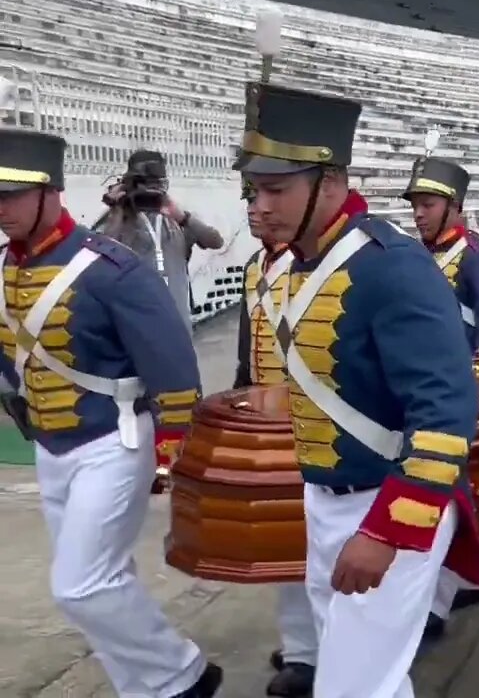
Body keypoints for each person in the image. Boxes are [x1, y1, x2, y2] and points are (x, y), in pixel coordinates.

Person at [236, 68, 479, 696]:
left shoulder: (392, 266)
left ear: (332, 181)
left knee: (350, 686)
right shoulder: (297, 264)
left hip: (388, 502)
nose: (260, 206)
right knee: (372, 679)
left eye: (277, 188)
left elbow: (444, 415)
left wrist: (386, 530)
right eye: (252, 190)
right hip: (323, 494)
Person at [0, 127, 220, 697]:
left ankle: (182, 674)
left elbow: (170, 360)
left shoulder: (108, 265)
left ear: (51, 191)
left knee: (80, 586)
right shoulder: (7, 267)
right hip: (50, 444)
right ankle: (144, 687)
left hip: (114, 439)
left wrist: (175, 444)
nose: (1, 210)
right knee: (105, 578)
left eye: (11, 196)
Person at [401, 137, 479, 640]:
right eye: (416, 206)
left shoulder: (477, 259)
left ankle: (435, 603)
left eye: (427, 205)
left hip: (457, 399)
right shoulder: (414, 256)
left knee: (442, 495)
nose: (419, 215)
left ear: (455, 206)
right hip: (420, 393)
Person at [232, 176, 315, 697]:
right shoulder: (253, 268)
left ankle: (323, 648)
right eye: (249, 200)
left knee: (316, 540)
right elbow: (248, 345)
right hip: (268, 417)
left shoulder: (313, 267)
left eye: (267, 199)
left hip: (315, 419)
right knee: (287, 538)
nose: (256, 211)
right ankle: (304, 647)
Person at [95, 150, 225, 329]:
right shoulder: (120, 219)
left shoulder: (177, 219)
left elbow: (216, 241)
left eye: (159, 184)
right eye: (148, 185)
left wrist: (183, 218)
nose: (153, 191)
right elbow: (97, 255)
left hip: (178, 329)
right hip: (136, 329)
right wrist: (117, 209)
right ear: (132, 185)